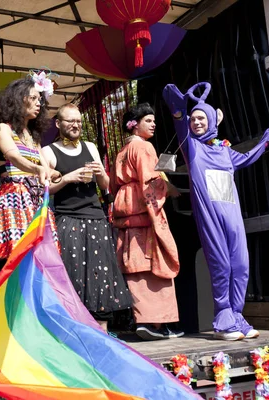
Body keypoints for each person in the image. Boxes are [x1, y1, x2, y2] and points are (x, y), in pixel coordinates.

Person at [163, 82, 269, 341]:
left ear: (213, 120)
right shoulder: (191, 147)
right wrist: (179, 111)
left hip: (232, 215)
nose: (197, 122)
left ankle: (236, 316)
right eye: (194, 119)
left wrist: (266, 141)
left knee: (241, 264)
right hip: (210, 217)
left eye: (202, 118)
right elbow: (180, 124)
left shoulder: (224, 151)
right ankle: (223, 318)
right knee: (221, 265)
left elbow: (246, 158)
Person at [42, 103, 132, 332]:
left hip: (96, 219)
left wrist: (102, 173)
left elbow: (105, 185)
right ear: (59, 124)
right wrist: (67, 178)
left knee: (101, 279)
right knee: (71, 277)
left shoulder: (90, 147)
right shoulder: (49, 151)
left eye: (79, 122)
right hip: (67, 220)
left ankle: (101, 335)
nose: (75, 125)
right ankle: (73, 333)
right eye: (70, 121)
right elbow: (45, 189)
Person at [110, 103, 183, 341]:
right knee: (156, 264)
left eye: (153, 120)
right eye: (148, 120)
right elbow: (149, 181)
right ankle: (157, 323)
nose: (153, 124)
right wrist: (168, 188)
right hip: (144, 211)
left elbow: (112, 187)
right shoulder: (144, 147)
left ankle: (144, 320)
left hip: (126, 213)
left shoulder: (122, 151)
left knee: (135, 267)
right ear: (135, 125)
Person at [0, 72, 60, 281]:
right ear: (20, 99)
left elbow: (46, 169)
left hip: (36, 199)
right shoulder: (3, 128)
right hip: (15, 197)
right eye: (35, 98)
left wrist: (56, 173)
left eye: (40, 99)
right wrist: (37, 169)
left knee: (40, 257)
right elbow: (13, 156)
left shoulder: (33, 137)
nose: (39, 104)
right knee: (18, 257)